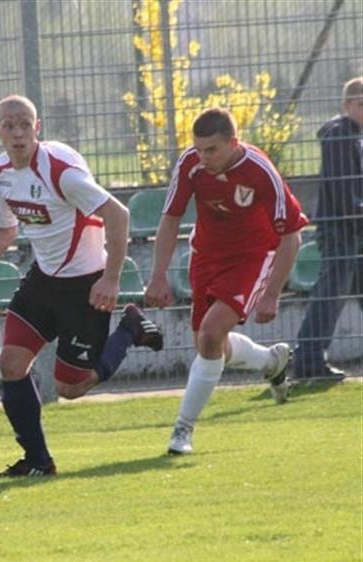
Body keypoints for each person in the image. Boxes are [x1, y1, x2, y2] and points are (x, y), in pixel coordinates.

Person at [0, 95, 163, 477]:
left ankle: (131, 329)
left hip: (84, 288)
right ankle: (37, 461)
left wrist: (110, 278)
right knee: (11, 363)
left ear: (38, 128)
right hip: (44, 280)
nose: (17, 134)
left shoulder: (61, 171)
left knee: (70, 388)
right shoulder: (0, 172)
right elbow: (5, 228)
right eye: (9, 126)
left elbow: (118, 213)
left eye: (24, 125)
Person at [144, 107, 309, 455]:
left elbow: (292, 235)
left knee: (210, 333)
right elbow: (171, 218)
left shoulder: (260, 171)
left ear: (233, 143)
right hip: (206, 256)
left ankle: (182, 430)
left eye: (212, 150)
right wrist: (158, 276)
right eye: (199, 149)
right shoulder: (191, 163)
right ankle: (270, 361)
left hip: (251, 258)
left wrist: (272, 294)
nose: (203, 158)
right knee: (209, 345)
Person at [292, 77, 363, 381]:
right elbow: (343, 193)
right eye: (361, 104)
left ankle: (310, 359)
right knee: (329, 295)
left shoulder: (352, 134)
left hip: (353, 227)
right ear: (347, 105)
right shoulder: (339, 136)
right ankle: (307, 360)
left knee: (337, 293)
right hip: (341, 228)